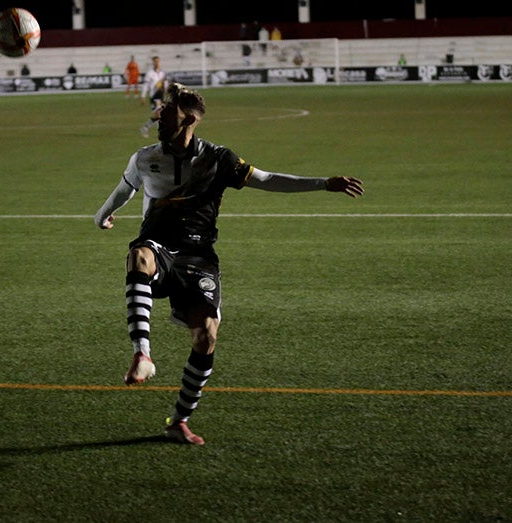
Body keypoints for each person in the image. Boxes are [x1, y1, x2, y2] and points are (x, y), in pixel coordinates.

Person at [94, 82, 364, 446]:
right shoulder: (144, 157)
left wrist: (323, 184)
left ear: (188, 119)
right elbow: (126, 187)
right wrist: (103, 213)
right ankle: (142, 353)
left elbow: (267, 180)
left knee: (206, 335)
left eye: (167, 112)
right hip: (159, 247)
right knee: (138, 255)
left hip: (198, 255)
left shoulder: (218, 159)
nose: (159, 116)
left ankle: (179, 421)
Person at [138, 58, 168, 138]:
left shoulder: (162, 73)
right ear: (153, 63)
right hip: (154, 96)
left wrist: (166, 91)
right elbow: (145, 85)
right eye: (155, 61)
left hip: (161, 96)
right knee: (159, 113)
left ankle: (147, 127)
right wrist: (143, 96)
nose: (157, 63)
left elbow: (164, 84)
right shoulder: (150, 74)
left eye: (158, 61)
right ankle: (145, 127)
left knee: (160, 115)